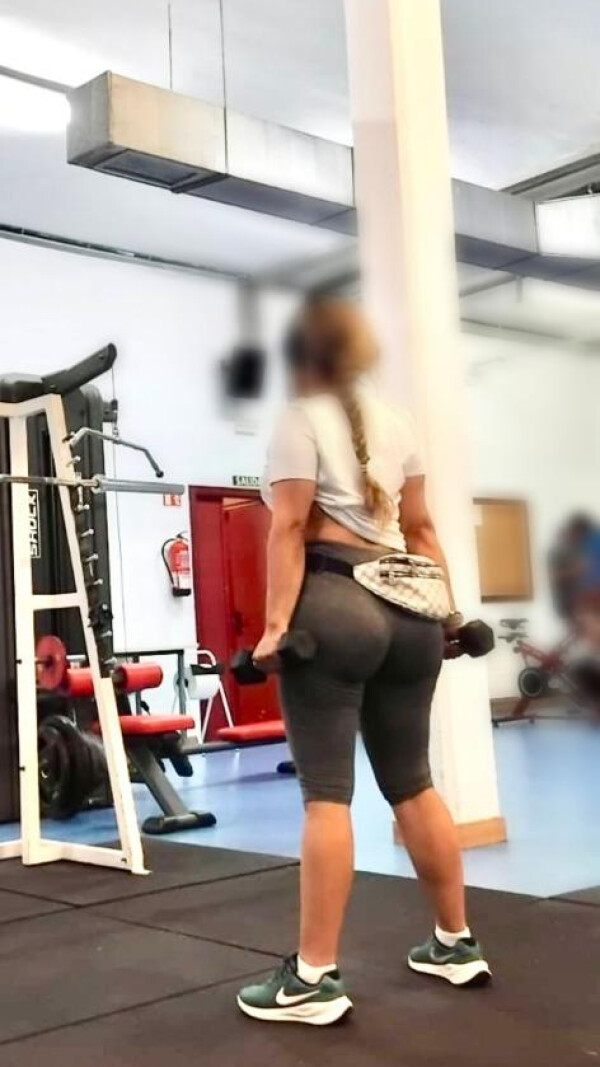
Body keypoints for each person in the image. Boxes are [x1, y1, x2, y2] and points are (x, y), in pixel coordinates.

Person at [237, 298, 490, 1026]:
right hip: (411, 611)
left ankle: (312, 978)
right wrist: (450, 615)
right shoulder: (399, 422)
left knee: (327, 795)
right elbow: (423, 530)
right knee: (413, 782)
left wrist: (275, 628)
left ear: (303, 356)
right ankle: (455, 942)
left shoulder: (297, 419)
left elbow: (289, 527)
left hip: (335, 606)